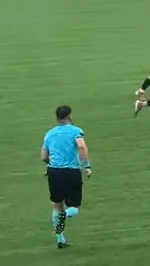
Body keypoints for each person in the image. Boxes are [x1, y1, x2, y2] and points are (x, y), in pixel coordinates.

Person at [41, 105, 92, 249]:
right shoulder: (75, 131)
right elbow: (81, 146)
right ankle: (65, 215)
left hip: (54, 172)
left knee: (57, 205)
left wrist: (51, 163)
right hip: (71, 171)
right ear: (69, 116)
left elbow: (43, 157)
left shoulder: (49, 134)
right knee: (74, 207)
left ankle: (60, 240)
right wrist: (86, 166)